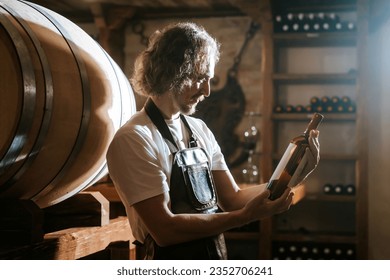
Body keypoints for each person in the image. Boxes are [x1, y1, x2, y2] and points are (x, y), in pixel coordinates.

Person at [106, 22, 320, 260]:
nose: (207, 91)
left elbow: (233, 198)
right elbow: (165, 231)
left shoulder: (200, 130)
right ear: (173, 72)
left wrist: (296, 173)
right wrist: (244, 217)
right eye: (200, 78)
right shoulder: (134, 138)